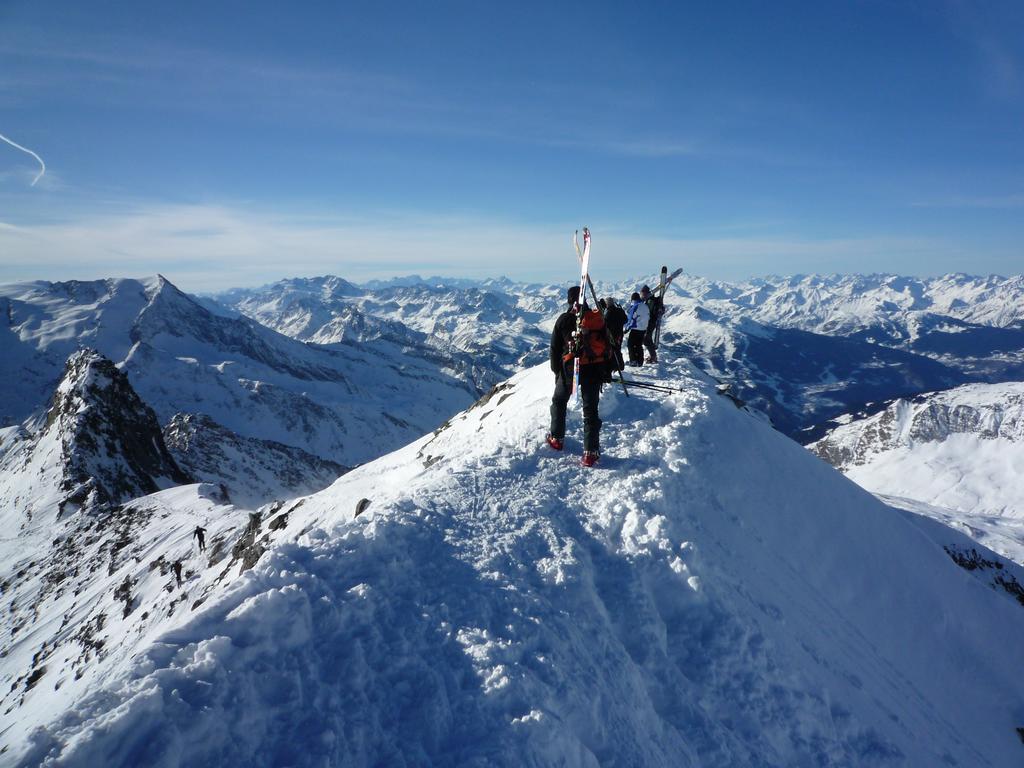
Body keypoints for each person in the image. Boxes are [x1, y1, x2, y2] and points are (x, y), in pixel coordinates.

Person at [546, 285, 605, 467]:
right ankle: (590, 453)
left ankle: (557, 438)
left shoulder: (564, 319)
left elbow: (555, 350)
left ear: (569, 300)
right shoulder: (596, 318)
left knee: (559, 401)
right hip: (594, 369)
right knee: (590, 411)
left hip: (571, 369)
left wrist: (557, 372)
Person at [624, 291, 650, 366]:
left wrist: (626, 328)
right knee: (638, 345)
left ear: (633, 299)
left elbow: (631, 319)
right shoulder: (645, 306)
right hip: (644, 328)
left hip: (636, 328)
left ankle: (633, 360)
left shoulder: (635, 306)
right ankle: (640, 361)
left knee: (630, 344)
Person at [602, 297, 628, 371]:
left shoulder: (609, 313)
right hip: (619, 333)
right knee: (617, 349)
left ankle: (616, 366)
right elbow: (626, 320)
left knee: (612, 350)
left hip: (612, 334)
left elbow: (605, 324)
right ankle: (619, 366)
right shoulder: (620, 310)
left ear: (607, 304)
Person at [640, 284, 660, 364]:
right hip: (651, 322)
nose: (642, 296)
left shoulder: (650, 301)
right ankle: (653, 356)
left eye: (643, 294)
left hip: (650, 322)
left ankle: (653, 357)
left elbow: (648, 312)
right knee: (647, 339)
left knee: (646, 339)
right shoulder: (650, 300)